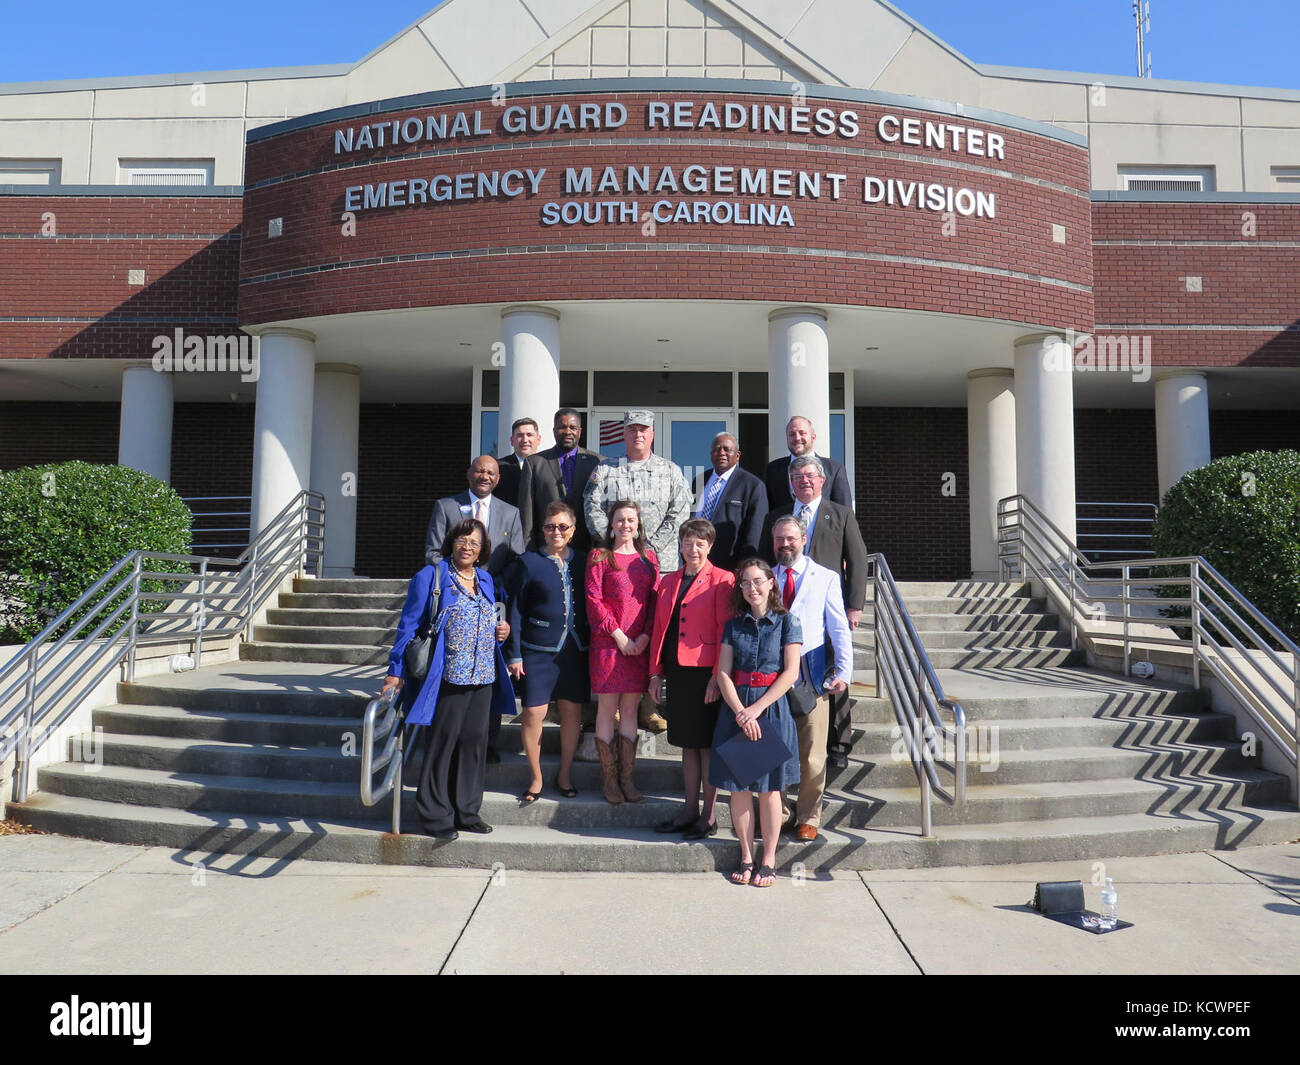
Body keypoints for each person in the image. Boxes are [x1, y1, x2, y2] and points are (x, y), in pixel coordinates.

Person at [380, 518, 514, 841]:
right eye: (462, 540)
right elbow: (407, 627)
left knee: (473, 743)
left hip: (483, 675)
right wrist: (394, 671)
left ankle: (466, 811)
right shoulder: (432, 576)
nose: (467, 547)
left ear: (483, 551)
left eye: (475, 543)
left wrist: (502, 633)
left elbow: (488, 620)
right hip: (448, 676)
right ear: (452, 541)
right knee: (443, 743)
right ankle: (435, 813)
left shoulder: (485, 579)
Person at [762, 453, 867, 768]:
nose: (804, 481)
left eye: (810, 476)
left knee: (833, 672)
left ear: (823, 480)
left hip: (827, 603)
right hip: (786, 604)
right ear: (791, 484)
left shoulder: (840, 514)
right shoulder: (778, 516)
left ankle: (838, 743)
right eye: (798, 477)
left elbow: (858, 559)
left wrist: (855, 605)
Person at [710, 559, 803, 888]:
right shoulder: (733, 626)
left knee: (768, 790)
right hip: (737, 708)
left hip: (771, 710)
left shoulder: (787, 622)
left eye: (758, 581)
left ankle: (769, 859)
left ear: (771, 583)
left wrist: (757, 709)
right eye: (745, 583)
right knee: (738, 788)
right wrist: (740, 711)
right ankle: (746, 855)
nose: (752, 588)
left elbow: (791, 673)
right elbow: (723, 672)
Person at [648, 518, 735, 839]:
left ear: (710, 546)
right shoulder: (669, 581)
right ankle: (688, 810)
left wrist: (717, 676)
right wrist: (655, 672)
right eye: (687, 542)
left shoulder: (723, 580)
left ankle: (708, 817)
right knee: (686, 744)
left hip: (705, 674)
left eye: (700, 543)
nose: (693, 549)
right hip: (678, 673)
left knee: (706, 746)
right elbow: (660, 629)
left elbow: (725, 631)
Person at [769, 515, 854, 843]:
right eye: (779, 539)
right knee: (776, 750)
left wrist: (844, 672)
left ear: (803, 540)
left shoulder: (826, 578)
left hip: (811, 676)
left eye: (790, 538)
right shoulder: (766, 577)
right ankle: (781, 811)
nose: (785, 544)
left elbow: (839, 628)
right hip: (773, 678)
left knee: (812, 753)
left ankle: (808, 817)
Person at [503, 501, 590, 803]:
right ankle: (536, 777)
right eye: (551, 526)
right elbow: (514, 610)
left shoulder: (584, 561)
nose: (556, 531)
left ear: (573, 530)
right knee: (532, 713)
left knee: (571, 713)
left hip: (575, 649)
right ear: (542, 529)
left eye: (563, 526)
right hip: (536, 649)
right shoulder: (528, 562)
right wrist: (513, 654)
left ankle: (565, 774)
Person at [586, 500, 658, 805]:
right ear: (611, 524)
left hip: (639, 645)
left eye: (631, 520)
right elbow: (593, 598)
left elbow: (656, 601)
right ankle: (610, 781)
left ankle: (627, 780)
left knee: (630, 711)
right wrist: (617, 635)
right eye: (620, 519)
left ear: (638, 524)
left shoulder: (648, 558)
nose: (625, 525)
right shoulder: (599, 556)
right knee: (607, 710)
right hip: (608, 644)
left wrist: (644, 636)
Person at [584, 409, 693, 575]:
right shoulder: (605, 469)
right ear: (624, 434)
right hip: (616, 563)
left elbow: (680, 513)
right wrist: (615, 540)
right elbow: (592, 506)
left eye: (643, 430)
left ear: (652, 434)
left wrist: (651, 547)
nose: (638, 435)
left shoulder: (671, 471)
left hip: (661, 565)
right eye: (632, 430)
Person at [425, 454, 525, 578]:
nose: (485, 477)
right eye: (480, 471)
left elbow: (516, 559)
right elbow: (433, 554)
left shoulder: (512, 514)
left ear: (498, 479)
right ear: (469, 474)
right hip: (454, 588)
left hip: (495, 591)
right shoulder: (445, 507)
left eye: (490, 473)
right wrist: (459, 580)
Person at [520, 408, 603, 554]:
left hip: (586, 549)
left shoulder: (596, 462)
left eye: (572, 427)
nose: (567, 431)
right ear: (554, 430)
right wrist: (529, 552)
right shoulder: (534, 463)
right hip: (546, 548)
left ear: (580, 431)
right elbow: (526, 514)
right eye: (562, 427)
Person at [692, 431, 768, 569]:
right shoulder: (699, 480)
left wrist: (745, 566)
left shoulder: (752, 485)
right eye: (717, 449)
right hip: (696, 561)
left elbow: (754, 532)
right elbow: (692, 517)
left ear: (737, 455)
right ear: (710, 454)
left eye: (727, 449)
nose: (721, 453)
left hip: (729, 566)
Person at [764, 415, 852, 512]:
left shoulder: (834, 469)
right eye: (792, 434)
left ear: (813, 437)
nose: (797, 438)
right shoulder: (773, 469)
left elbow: (844, 512)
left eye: (802, 433)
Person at [495, 416, 541, 509]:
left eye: (529, 435)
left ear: (538, 439)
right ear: (512, 440)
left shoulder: (549, 467)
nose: (524, 440)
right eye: (520, 435)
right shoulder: (498, 467)